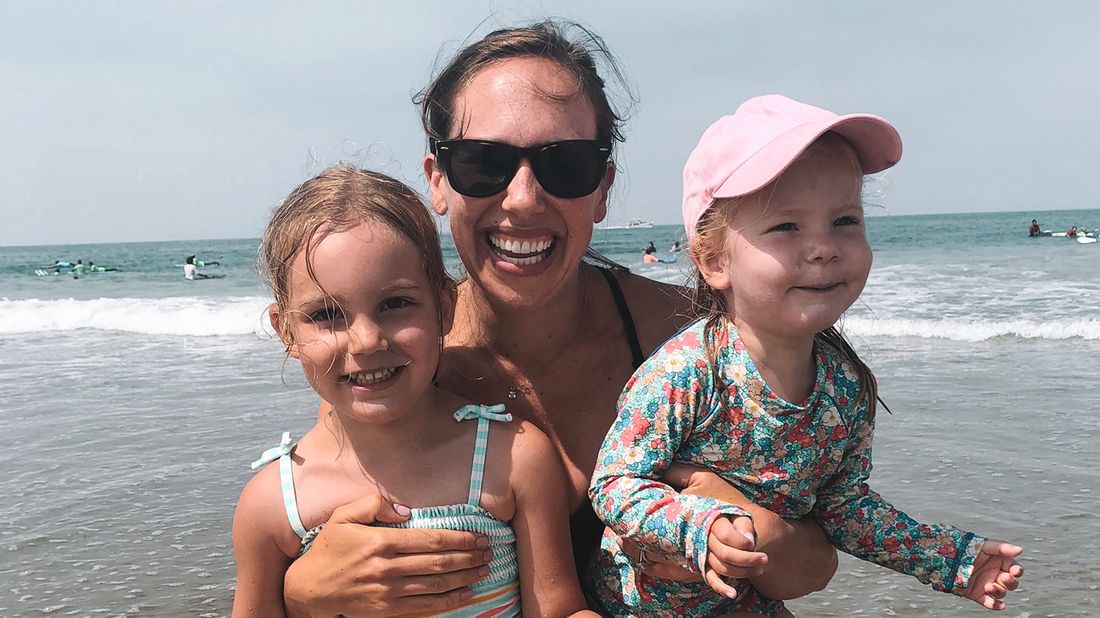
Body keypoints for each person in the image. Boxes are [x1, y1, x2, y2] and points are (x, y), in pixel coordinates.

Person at [282, 21, 839, 616]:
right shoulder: (394, 358)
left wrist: (757, 536)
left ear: (602, 187)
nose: (522, 198)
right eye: (482, 163)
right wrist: (300, 591)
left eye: (566, 164)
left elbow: (819, 561)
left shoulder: (695, 340)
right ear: (438, 181)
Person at [588, 95, 1026, 615]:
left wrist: (953, 562)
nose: (823, 247)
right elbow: (615, 483)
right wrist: (698, 526)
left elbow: (845, 510)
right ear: (712, 259)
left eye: (844, 220)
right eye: (786, 226)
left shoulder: (847, 388)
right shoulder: (687, 371)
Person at [233, 165, 596, 617]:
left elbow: (559, 609)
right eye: (327, 314)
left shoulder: (511, 457)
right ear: (285, 329)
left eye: (396, 304)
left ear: (444, 307)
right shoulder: (272, 504)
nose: (367, 341)